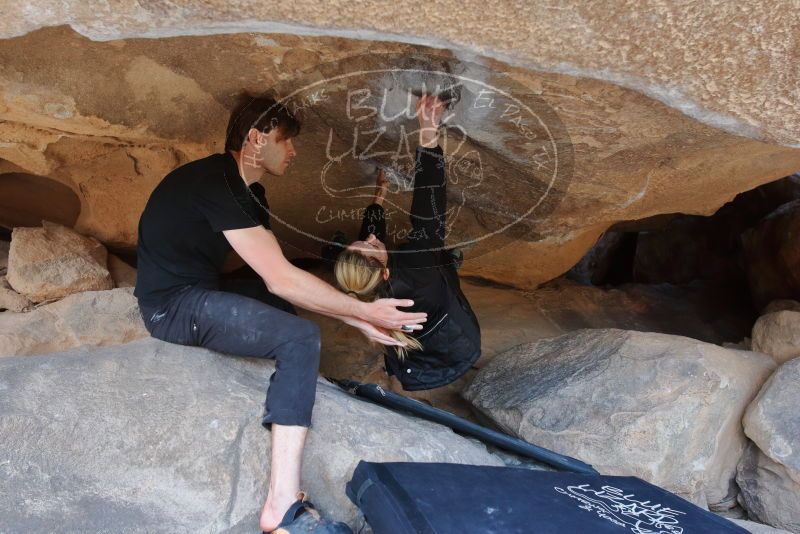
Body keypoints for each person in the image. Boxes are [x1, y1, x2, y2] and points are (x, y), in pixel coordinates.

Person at [134, 93, 427, 533]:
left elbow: (276, 276)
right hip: (172, 307)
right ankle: (282, 504)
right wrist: (366, 310)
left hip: (201, 288)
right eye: (287, 141)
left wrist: (359, 320)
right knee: (299, 337)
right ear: (256, 138)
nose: (293, 152)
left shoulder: (251, 193)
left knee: (282, 310)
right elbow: (280, 276)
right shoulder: (217, 181)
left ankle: (295, 390)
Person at [334, 95, 481, 392]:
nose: (372, 238)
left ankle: (444, 260)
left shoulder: (362, 293)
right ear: (385, 274)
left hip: (415, 360)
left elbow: (372, 247)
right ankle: (449, 262)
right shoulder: (418, 270)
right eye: (371, 245)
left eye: (360, 242)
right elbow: (430, 208)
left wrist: (378, 200)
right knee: (434, 251)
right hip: (457, 345)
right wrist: (427, 130)